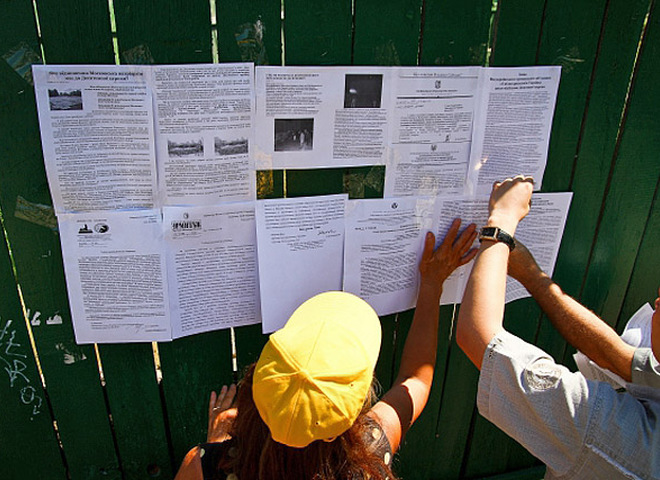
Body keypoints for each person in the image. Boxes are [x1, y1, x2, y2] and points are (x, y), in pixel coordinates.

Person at [175, 218, 478, 480]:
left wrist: (217, 450)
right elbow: (416, 380)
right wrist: (432, 284)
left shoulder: (200, 467)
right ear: (352, 408)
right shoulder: (370, 450)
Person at [456, 175, 660, 479]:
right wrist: (534, 278)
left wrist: (503, 220)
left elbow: (478, 336)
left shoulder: (615, 436)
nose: (656, 300)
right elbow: (620, 357)